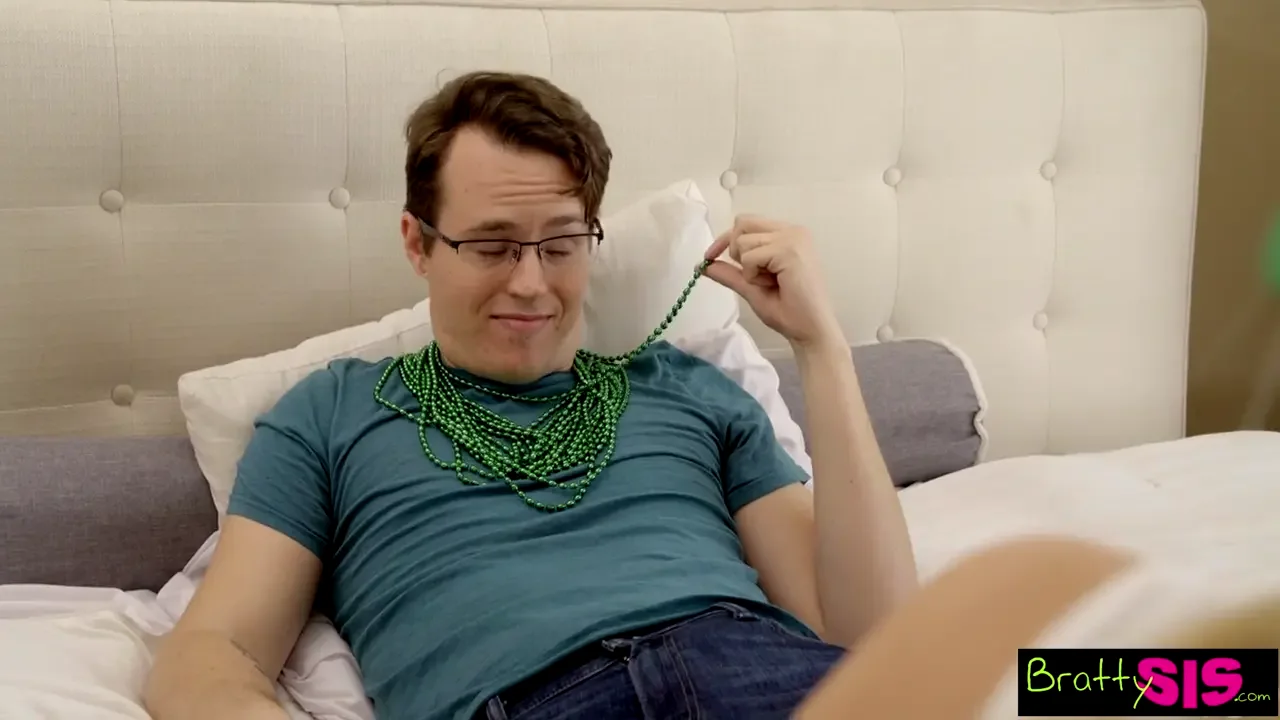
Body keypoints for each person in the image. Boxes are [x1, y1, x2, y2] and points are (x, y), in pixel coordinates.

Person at [143, 70, 918, 720]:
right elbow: (216, 652)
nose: (529, 282)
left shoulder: (689, 390)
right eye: (491, 245)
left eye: (561, 243)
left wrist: (822, 349)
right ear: (417, 242)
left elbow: (872, 639)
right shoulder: (328, 415)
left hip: (760, 673)